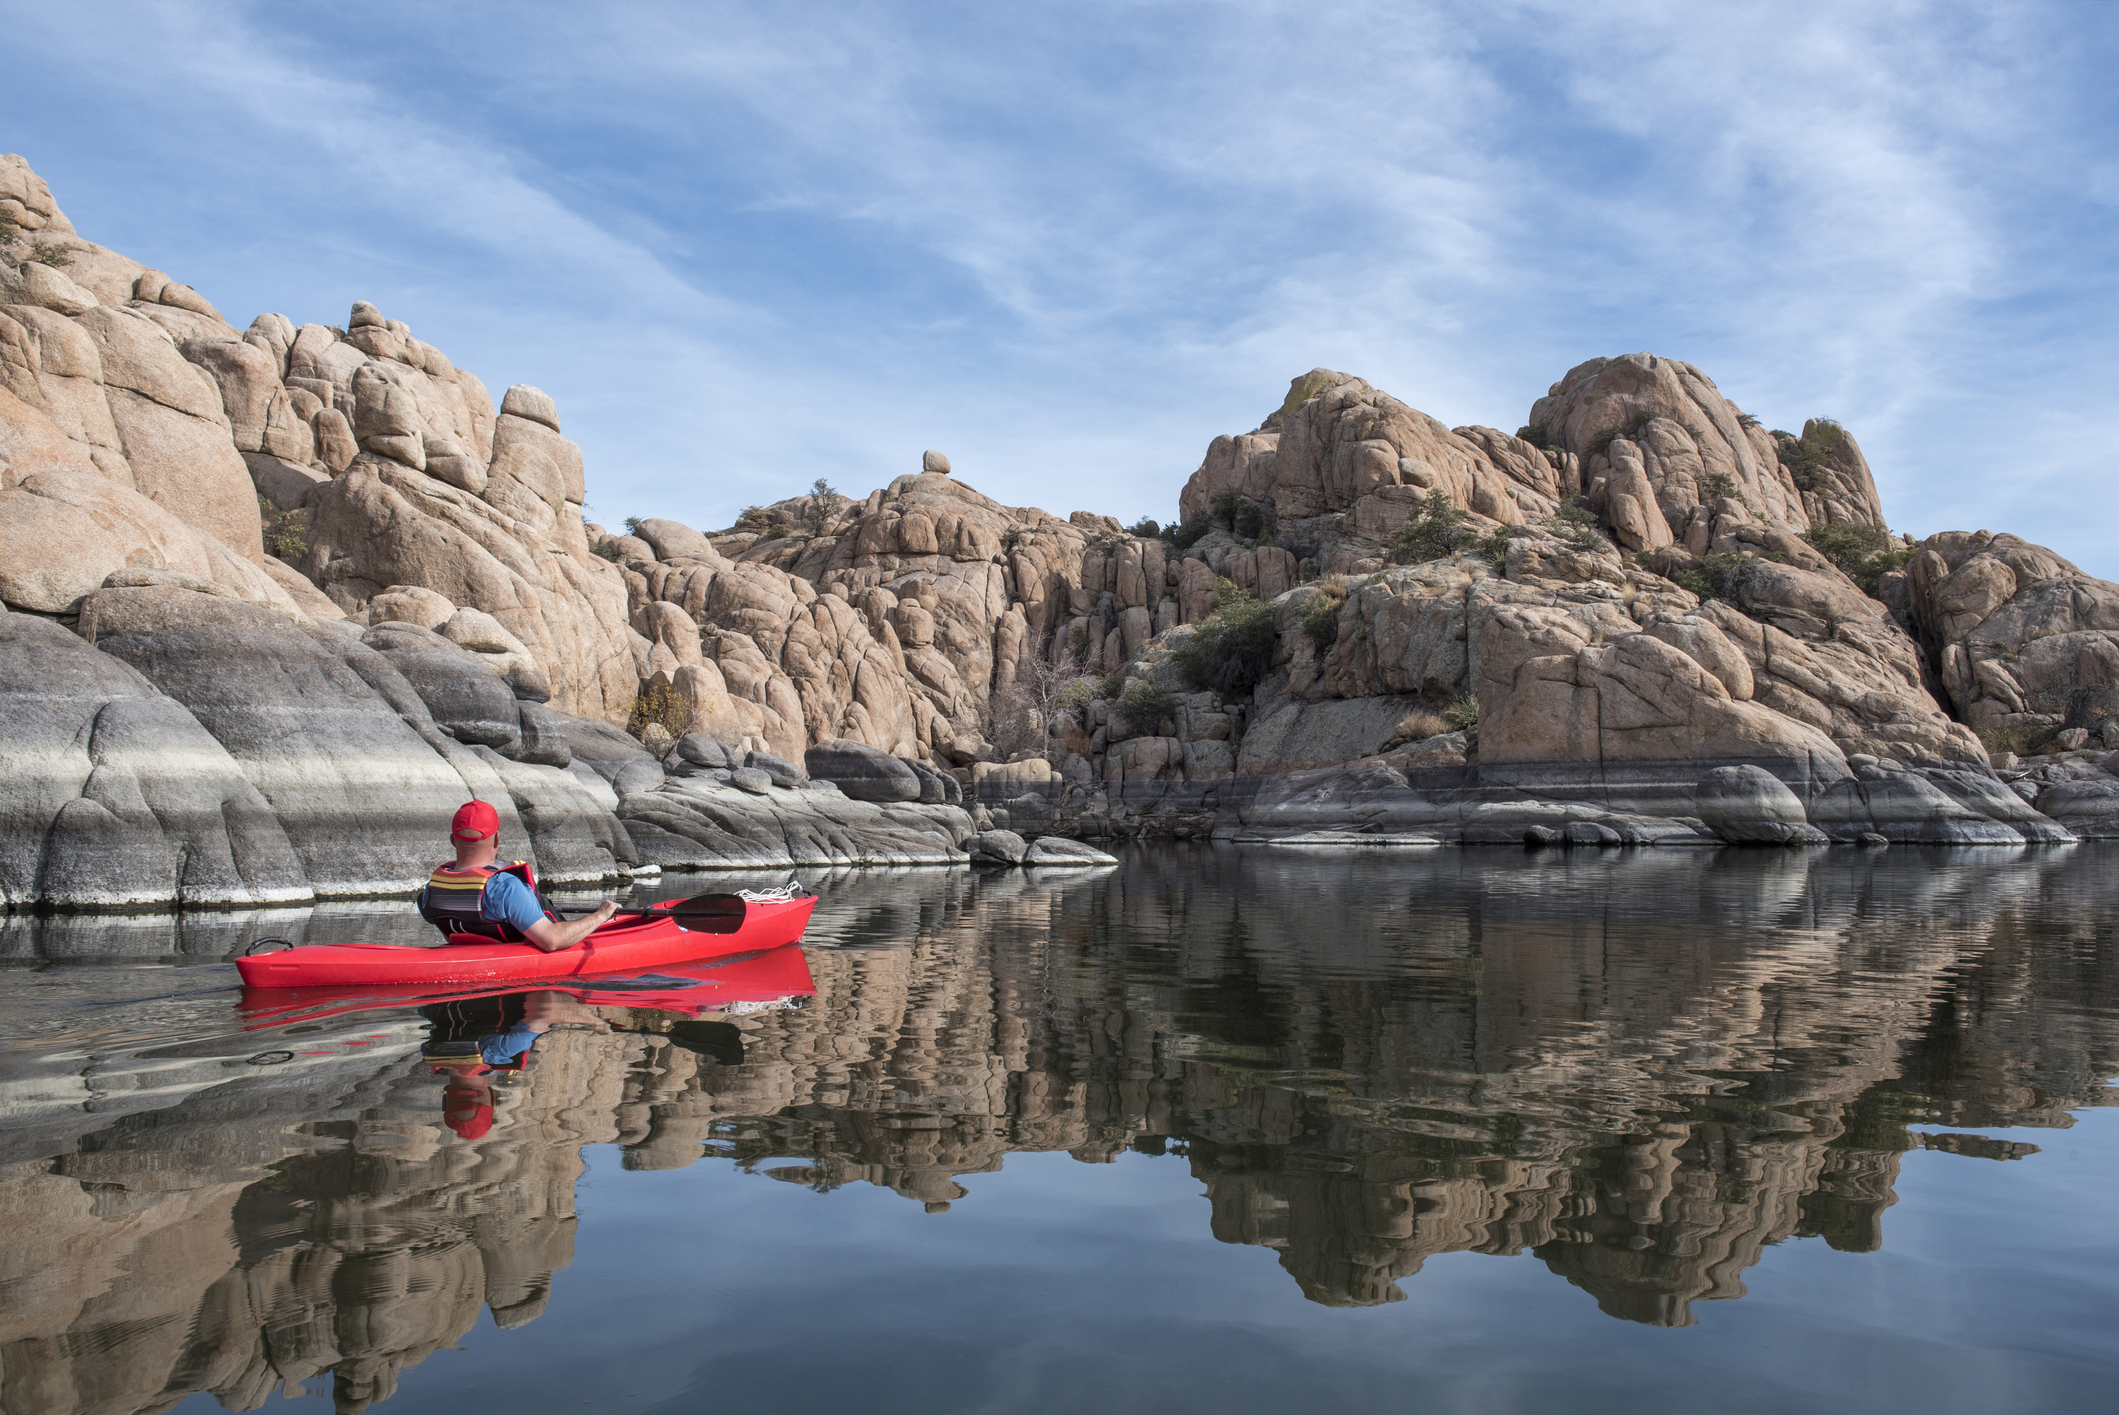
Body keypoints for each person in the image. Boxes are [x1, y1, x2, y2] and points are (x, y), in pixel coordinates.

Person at [418, 800, 619, 950]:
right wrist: (601, 915)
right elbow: (551, 941)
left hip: (466, 957)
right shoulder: (505, 887)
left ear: (453, 840)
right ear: (497, 839)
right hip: (513, 962)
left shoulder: (433, 887)